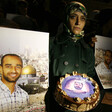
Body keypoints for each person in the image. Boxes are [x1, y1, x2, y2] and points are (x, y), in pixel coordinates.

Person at [45, 1, 104, 112]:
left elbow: (92, 80)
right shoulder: (52, 44)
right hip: (56, 106)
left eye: (82, 19)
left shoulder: (87, 50)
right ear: (66, 18)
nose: (78, 23)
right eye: (73, 17)